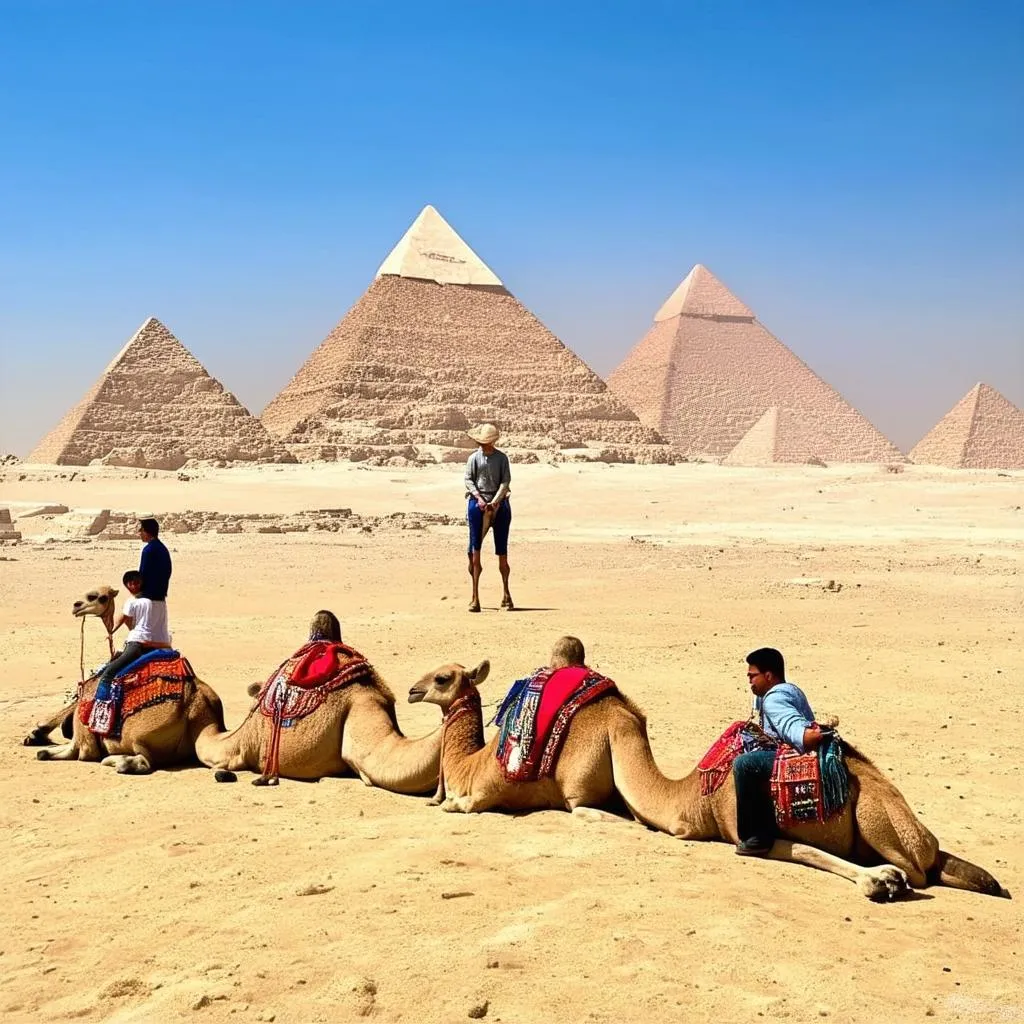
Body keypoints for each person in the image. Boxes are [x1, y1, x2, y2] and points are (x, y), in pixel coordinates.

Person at [732, 647, 831, 857]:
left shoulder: (774, 700)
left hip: (795, 753)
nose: (750, 682)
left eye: (752, 676)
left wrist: (809, 735)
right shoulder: (785, 691)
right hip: (785, 749)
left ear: (768, 676)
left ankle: (756, 836)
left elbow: (798, 732)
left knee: (744, 764)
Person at [463, 423, 513, 613]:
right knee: (474, 552)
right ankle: (475, 597)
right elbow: (468, 480)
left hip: (498, 503)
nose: (483, 445)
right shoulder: (474, 458)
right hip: (479, 502)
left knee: (503, 552)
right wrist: (480, 499)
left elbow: (505, 481)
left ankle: (506, 595)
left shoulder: (502, 458)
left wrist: (496, 501)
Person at [94, 570, 173, 688]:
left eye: (136, 583)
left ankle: (101, 704)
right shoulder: (161, 602)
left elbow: (125, 619)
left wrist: (111, 630)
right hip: (163, 643)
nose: (134, 586)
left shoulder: (132, 602)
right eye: (132, 583)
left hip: (138, 644)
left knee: (108, 673)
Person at [138, 517, 172, 602]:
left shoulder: (148, 550)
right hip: (160, 598)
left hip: (149, 599)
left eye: (141, 530)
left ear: (147, 531)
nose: (139, 533)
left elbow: (143, 574)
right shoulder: (162, 548)